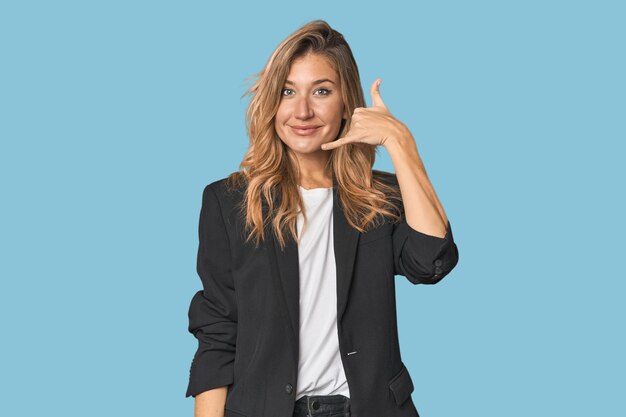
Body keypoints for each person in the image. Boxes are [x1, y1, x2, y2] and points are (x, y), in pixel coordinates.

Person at [185, 20, 459, 417]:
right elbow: (218, 329)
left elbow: (431, 261)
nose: (302, 111)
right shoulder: (229, 202)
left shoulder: (379, 197)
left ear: (347, 101)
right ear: (271, 103)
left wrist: (400, 142)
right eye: (287, 91)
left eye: (322, 91)